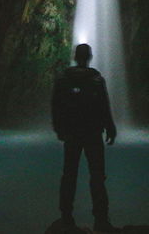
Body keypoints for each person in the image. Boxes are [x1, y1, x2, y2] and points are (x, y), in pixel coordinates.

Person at [51, 43, 120, 232]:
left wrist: (59, 129)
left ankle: (66, 216)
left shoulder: (63, 79)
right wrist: (110, 128)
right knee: (97, 176)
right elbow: (104, 106)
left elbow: (56, 106)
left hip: (72, 134)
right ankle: (101, 219)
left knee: (69, 175)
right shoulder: (96, 79)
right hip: (92, 134)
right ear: (89, 57)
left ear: (75, 57)